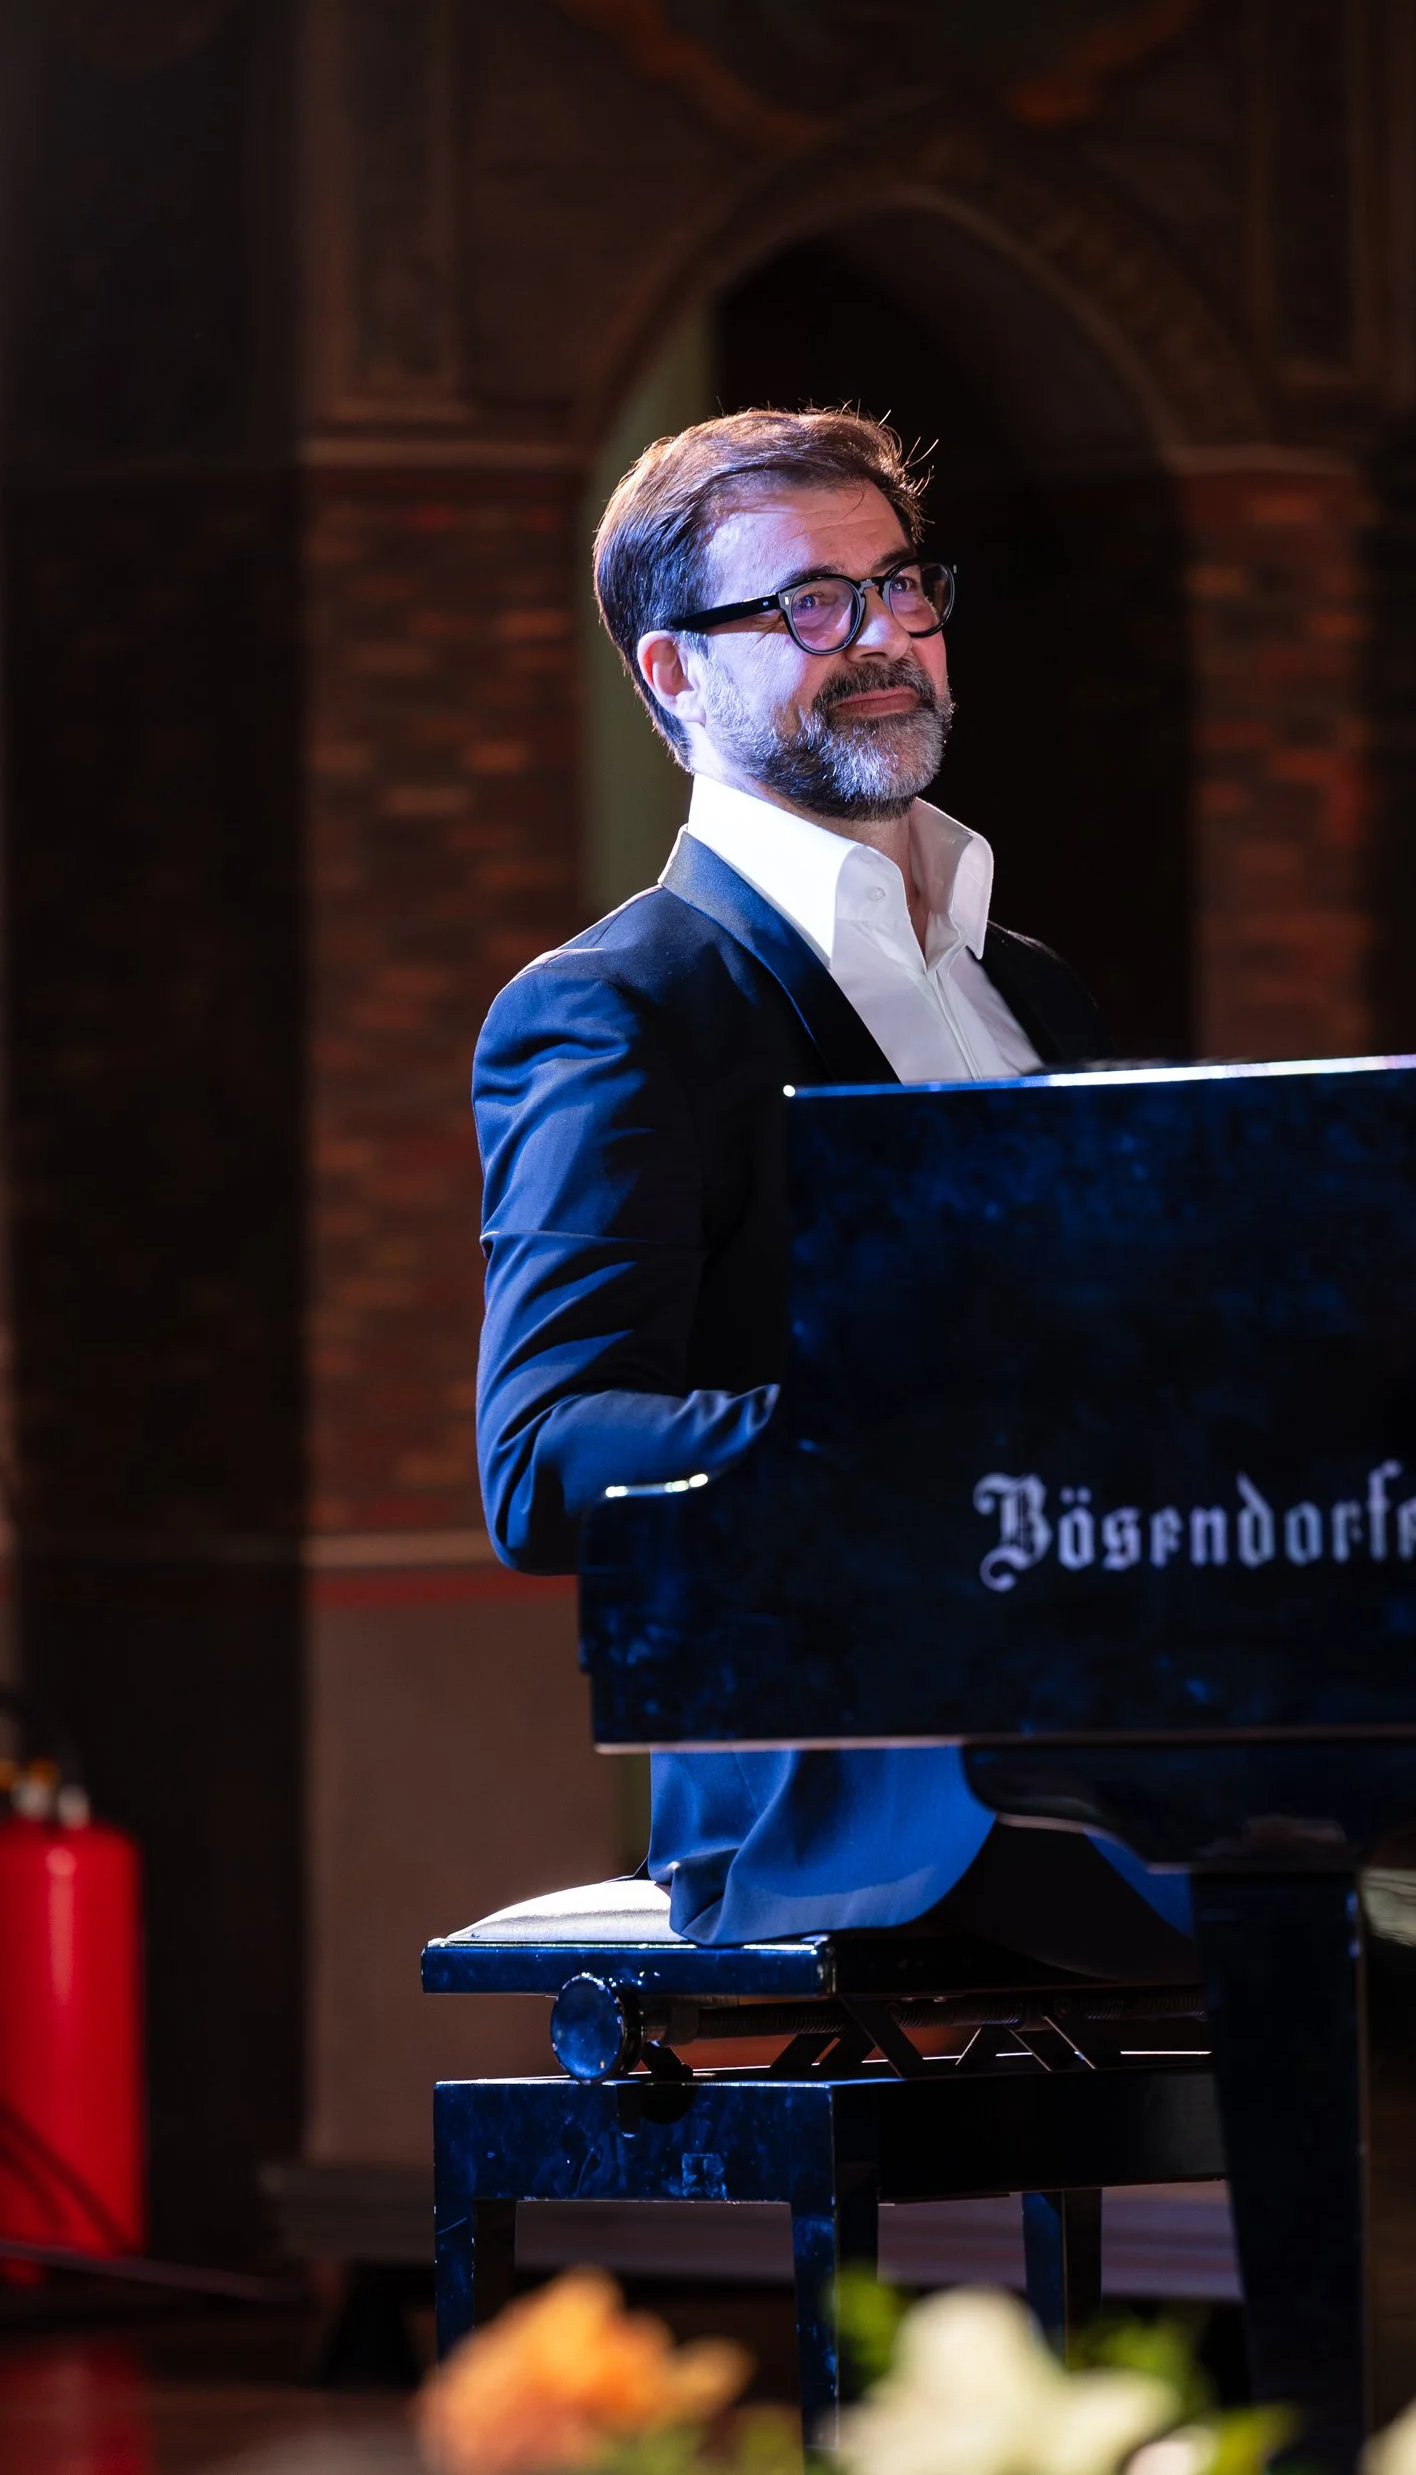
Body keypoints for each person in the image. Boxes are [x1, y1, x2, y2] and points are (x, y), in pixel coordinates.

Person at [473, 405, 1195, 1976]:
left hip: (1127, 1702)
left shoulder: (1035, 990)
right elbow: (541, 1459)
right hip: (873, 1800)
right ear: (673, 673)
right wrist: (922, 1439)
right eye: (811, 605)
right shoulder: (623, 1006)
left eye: (901, 589)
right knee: (1414, 1905)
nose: (882, 640)